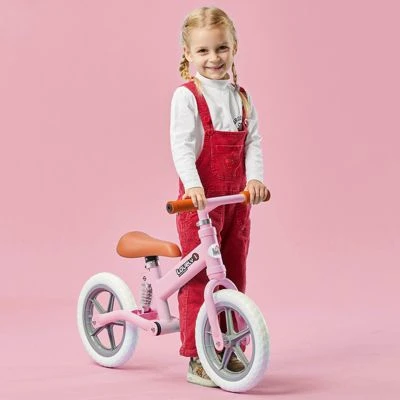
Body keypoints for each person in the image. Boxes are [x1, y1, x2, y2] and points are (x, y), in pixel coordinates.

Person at [170, 6, 268, 387]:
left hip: (236, 204)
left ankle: (229, 342)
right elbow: (182, 146)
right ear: (188, 53)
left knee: (233, 273)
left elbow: (253, 142)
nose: (214, 58)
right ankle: (197, 355)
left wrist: (255, 180)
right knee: (200, 277)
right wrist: (193, 185)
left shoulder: (241, 97)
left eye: (221, 48)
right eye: (203, 50)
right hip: (199, 205)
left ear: (234, 48)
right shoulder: (187, 97)